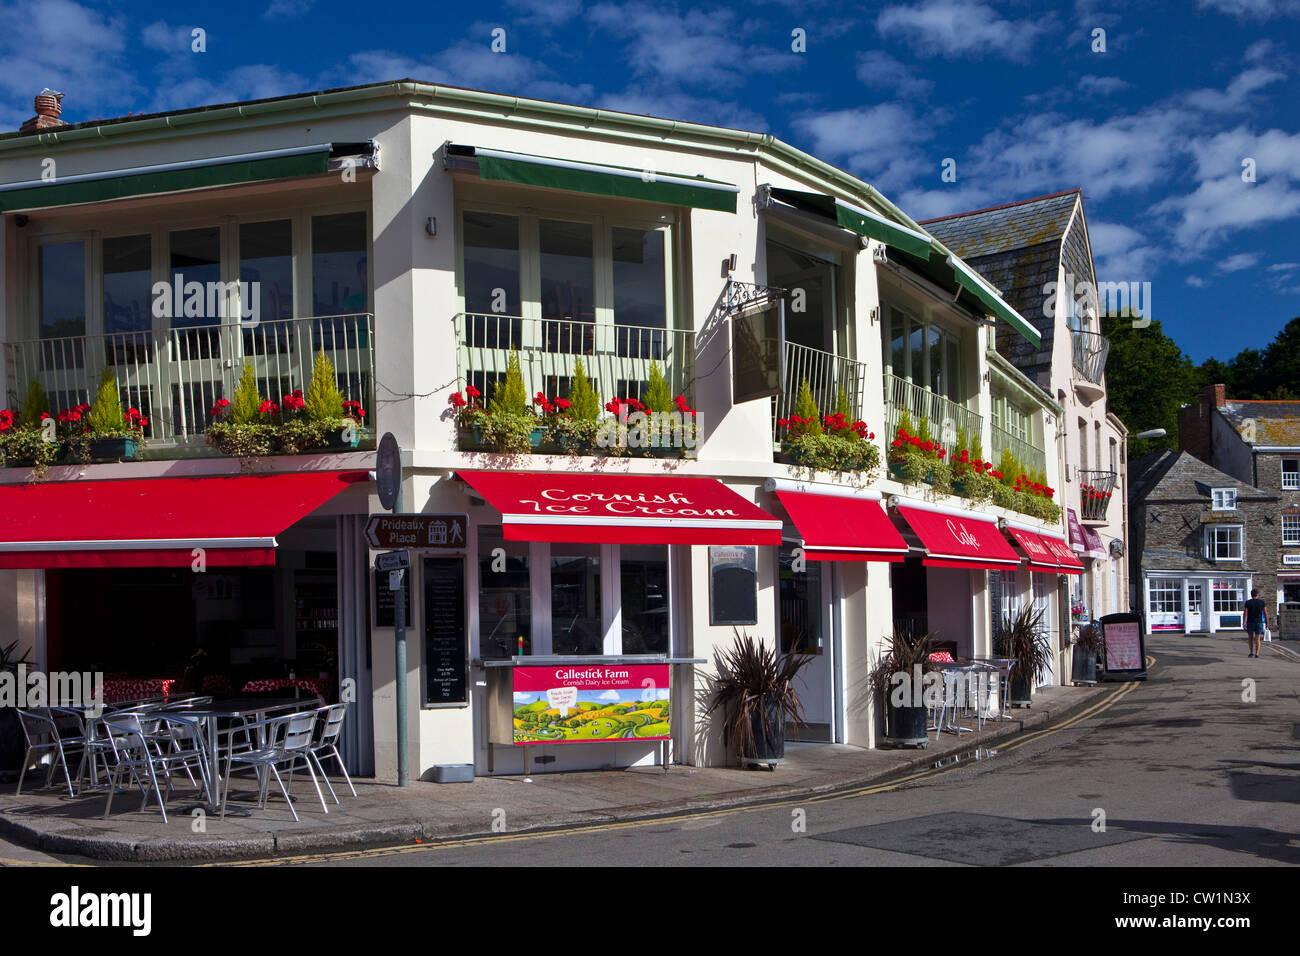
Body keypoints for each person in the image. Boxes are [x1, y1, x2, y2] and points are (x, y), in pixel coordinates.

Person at [1243, 589, 1268, 659]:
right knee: (1258, 638)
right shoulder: (1262, 602)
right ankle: (1257, 653)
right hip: (1259, 622)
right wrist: (1267, 623)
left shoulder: (1248, 602)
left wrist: (1244, 623)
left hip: (1250, 622)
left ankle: (1251, 652)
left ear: (1251, 595)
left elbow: (1245, 613)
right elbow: (1266, 613)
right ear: (1257, 594)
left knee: (1250, 638)